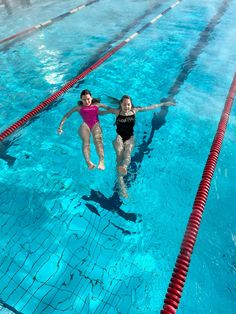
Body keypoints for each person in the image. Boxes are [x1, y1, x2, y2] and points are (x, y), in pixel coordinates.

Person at [100, 95, 175, 176]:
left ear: (131, 104)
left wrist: (163, 104)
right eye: (124, 104)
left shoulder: (134, 111)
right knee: (119, 156)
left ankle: (124, 168)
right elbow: (103, 111)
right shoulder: (117, 112)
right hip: (119, 137)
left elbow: (149, 107)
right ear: (121, 104)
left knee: (128, 154)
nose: (126, 106)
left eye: (128, 104)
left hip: (130, 137)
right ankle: (120, 179)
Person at [58, 89, 111, 170]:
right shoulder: (78, 108)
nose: (86, 101)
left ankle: (101, 160)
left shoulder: (97, 105)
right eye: (84, 100)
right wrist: (60, 127)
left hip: (95, 125)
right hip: (85, 125)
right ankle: (88, 162)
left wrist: (120, 111)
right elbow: (67, 115)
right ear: (81, 100)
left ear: (91, 98)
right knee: (86, 142)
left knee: (98, 140)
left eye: (88, 99)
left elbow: (110, 109)